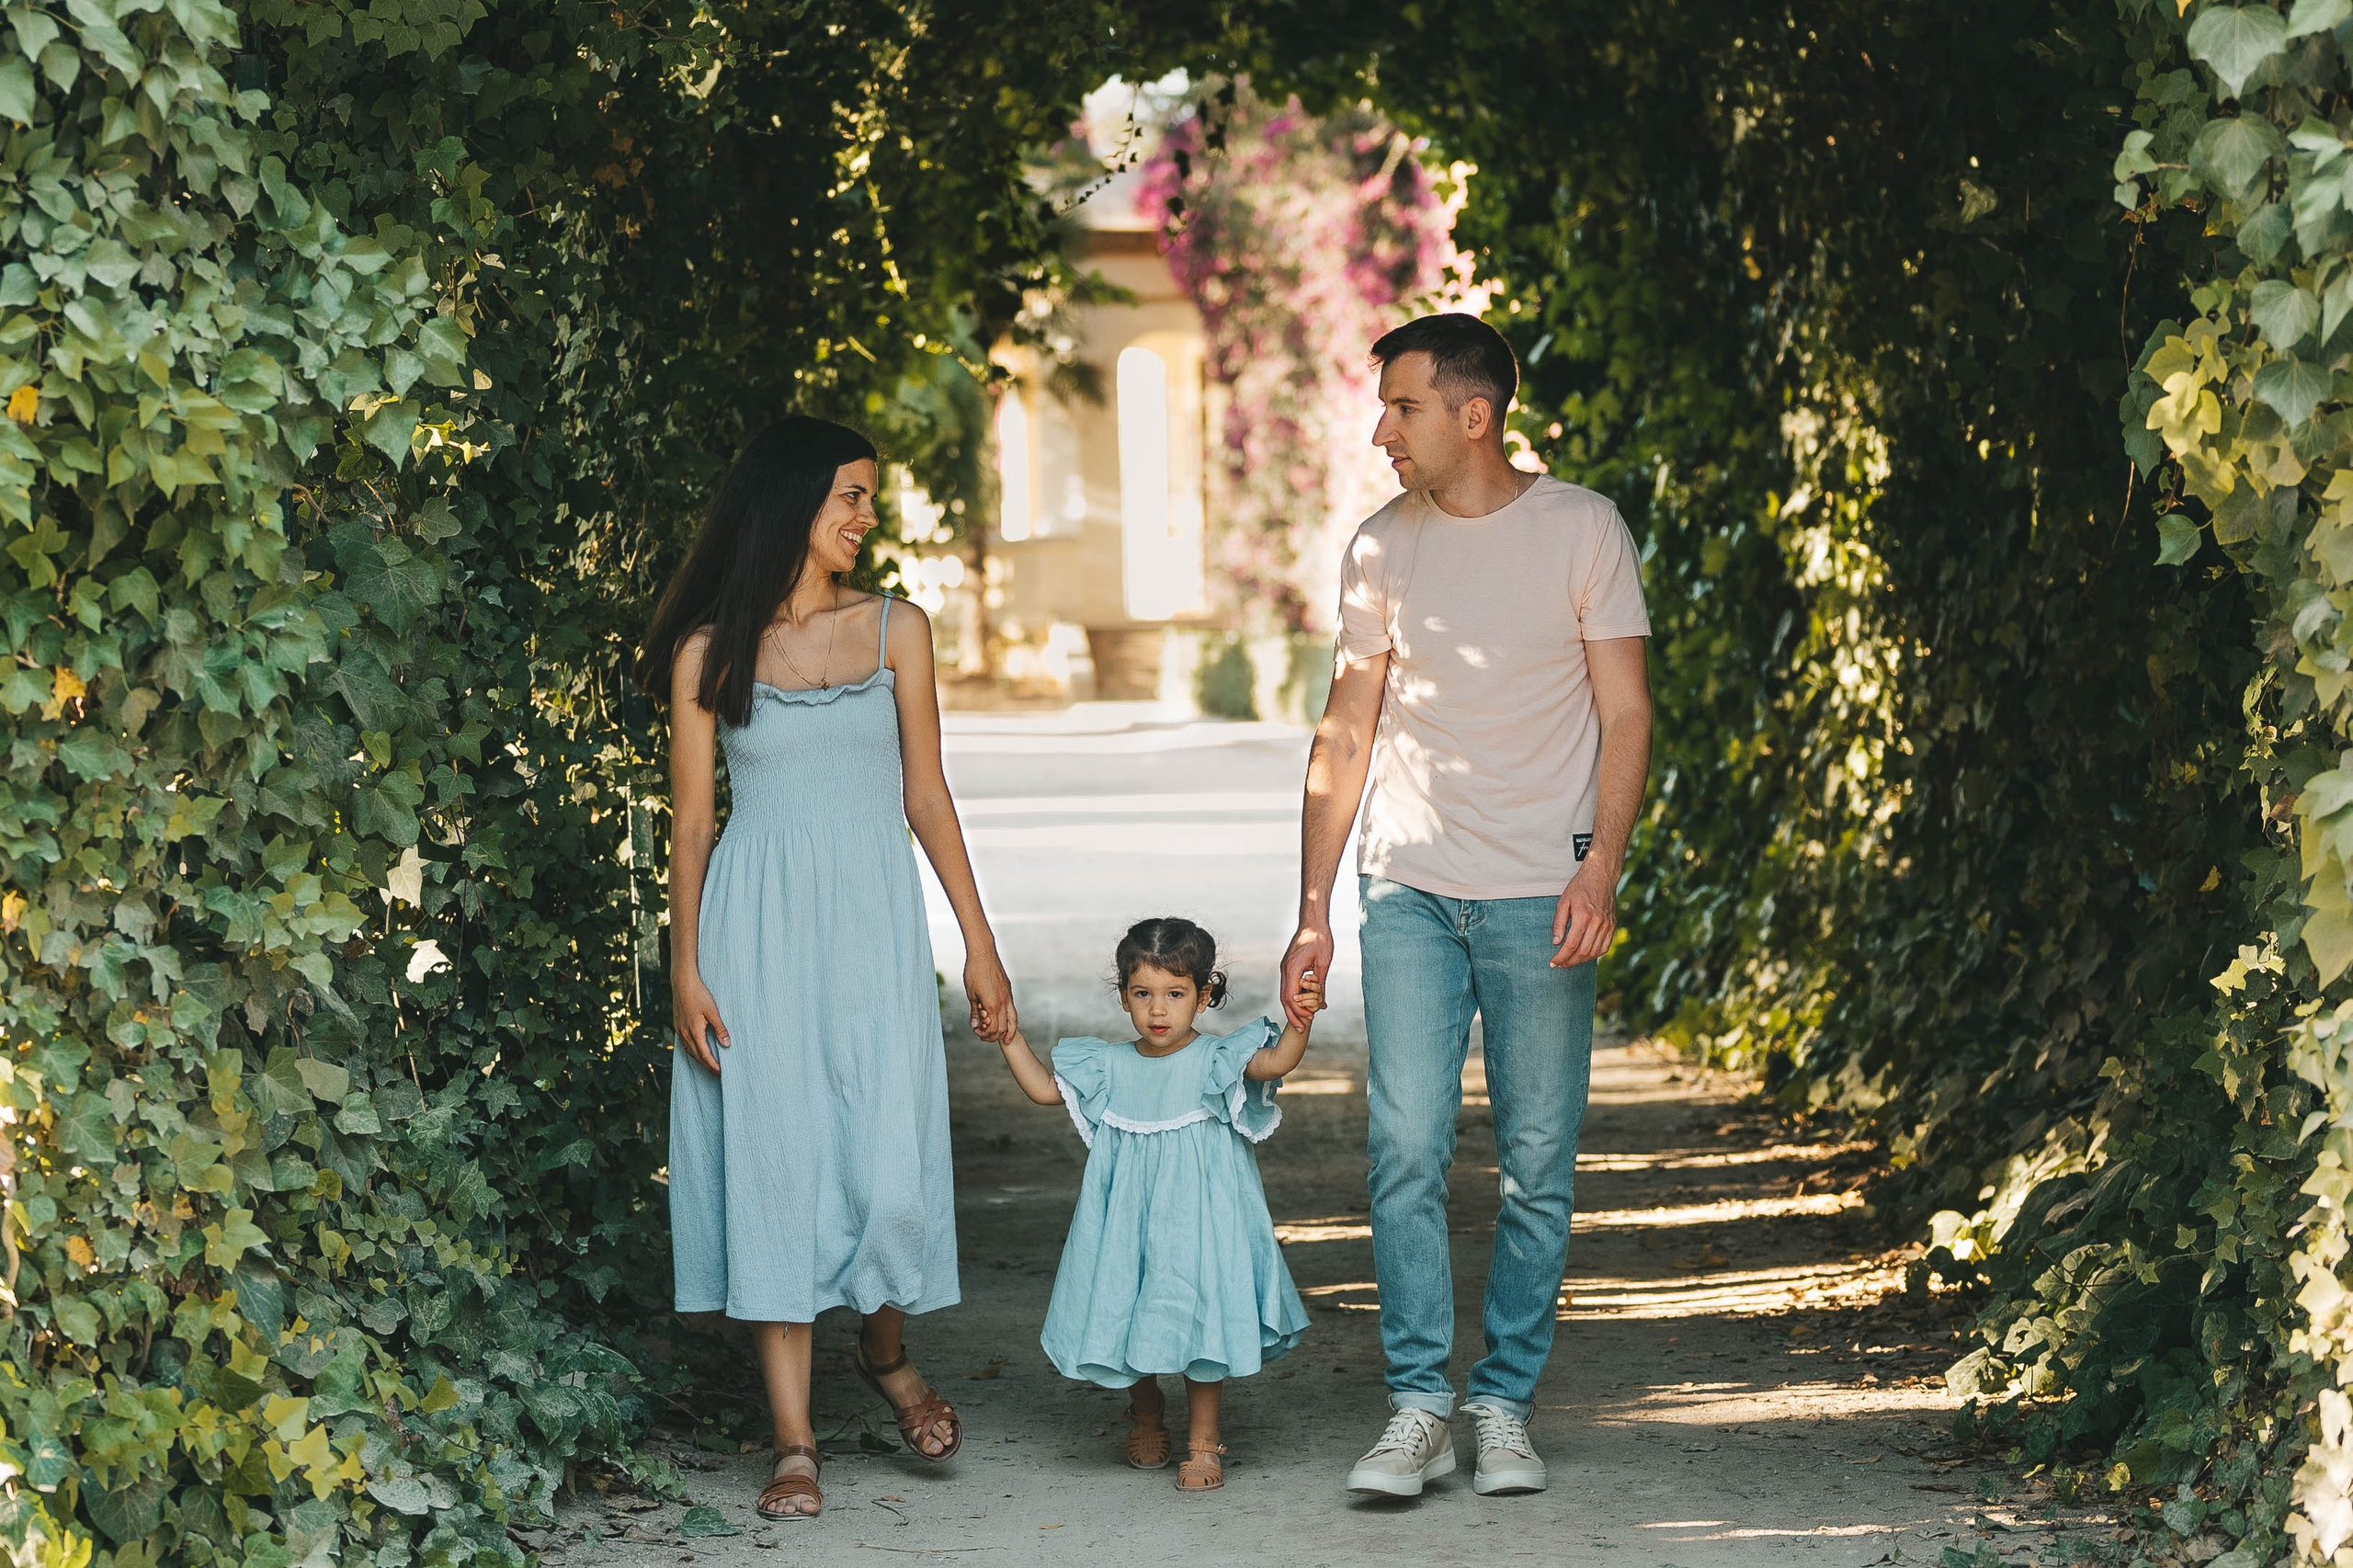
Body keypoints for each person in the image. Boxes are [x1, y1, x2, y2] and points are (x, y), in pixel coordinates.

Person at [1278, 313, 1654, 1499]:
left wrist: (1598, 864)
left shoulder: (1583, 528)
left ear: (1473, 413)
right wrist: (1311, 907)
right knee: (1403, 1146)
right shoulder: (1381, 547)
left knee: (1538, 1158)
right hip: (1410, 886)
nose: (1382, 431)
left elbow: (1627, 713)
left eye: (1402, 407)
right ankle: (1416, 1403)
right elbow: (1345, 729)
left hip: (1543, 891)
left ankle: (1502, 1401)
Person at [636, 416, 1018, 1521]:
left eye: (867, 497)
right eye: (849, 495)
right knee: (777, 1162)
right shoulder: (709, 652)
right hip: (753, 934)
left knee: (885, 1163)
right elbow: (695, 825)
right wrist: (685, 968)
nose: (864, 517)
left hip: (872, 927)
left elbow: (926, 798)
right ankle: (794, 1439)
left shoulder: (901, 628)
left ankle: (885, 1353)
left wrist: (979, 947)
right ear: (790, 502)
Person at [985, 917, 1319, 1493]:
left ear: (1205, 995)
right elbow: (1044, 1089)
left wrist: (1300, 1022)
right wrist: (1008, 1035)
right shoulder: (1108, 1067)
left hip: (1200, 1223)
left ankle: (1203, 1441)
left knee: (1201, 1319)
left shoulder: (1217, 1059)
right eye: (1143, 994)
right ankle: (1144, 1412)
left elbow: (1276, 1063)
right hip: (1126, 1223)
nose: (1158, 1010)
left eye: (1175, 993)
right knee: (1127, 1307)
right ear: (1123, 997)